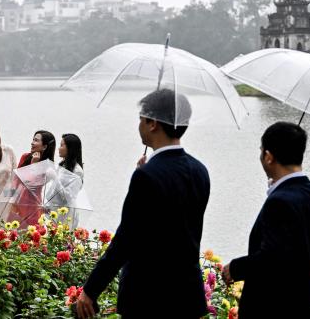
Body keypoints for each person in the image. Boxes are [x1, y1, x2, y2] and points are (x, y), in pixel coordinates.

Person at [77, 88, 210, 318]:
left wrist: (91, 289)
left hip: (149, 297)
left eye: (141, 118)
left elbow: (126, 239)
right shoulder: (200, 171)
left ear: (152, 124)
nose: (138, 124)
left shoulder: (146, 177)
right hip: (188, 296)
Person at [221, 122, 310, 318]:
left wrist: (234, 268)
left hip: (280, 308)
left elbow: (272, 259)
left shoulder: (280, 202)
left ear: (268, 156)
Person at [7, 130, 56, 226]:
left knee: (30, 236)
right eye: (33, 139)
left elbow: (31, 185)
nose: (32, 142)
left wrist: (34, 165)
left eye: (36, 140)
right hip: (16, 205)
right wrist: (9, 200)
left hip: (32, 208)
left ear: (45, 146)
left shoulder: (48, 168)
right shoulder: (25, 157)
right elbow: (15, 181)